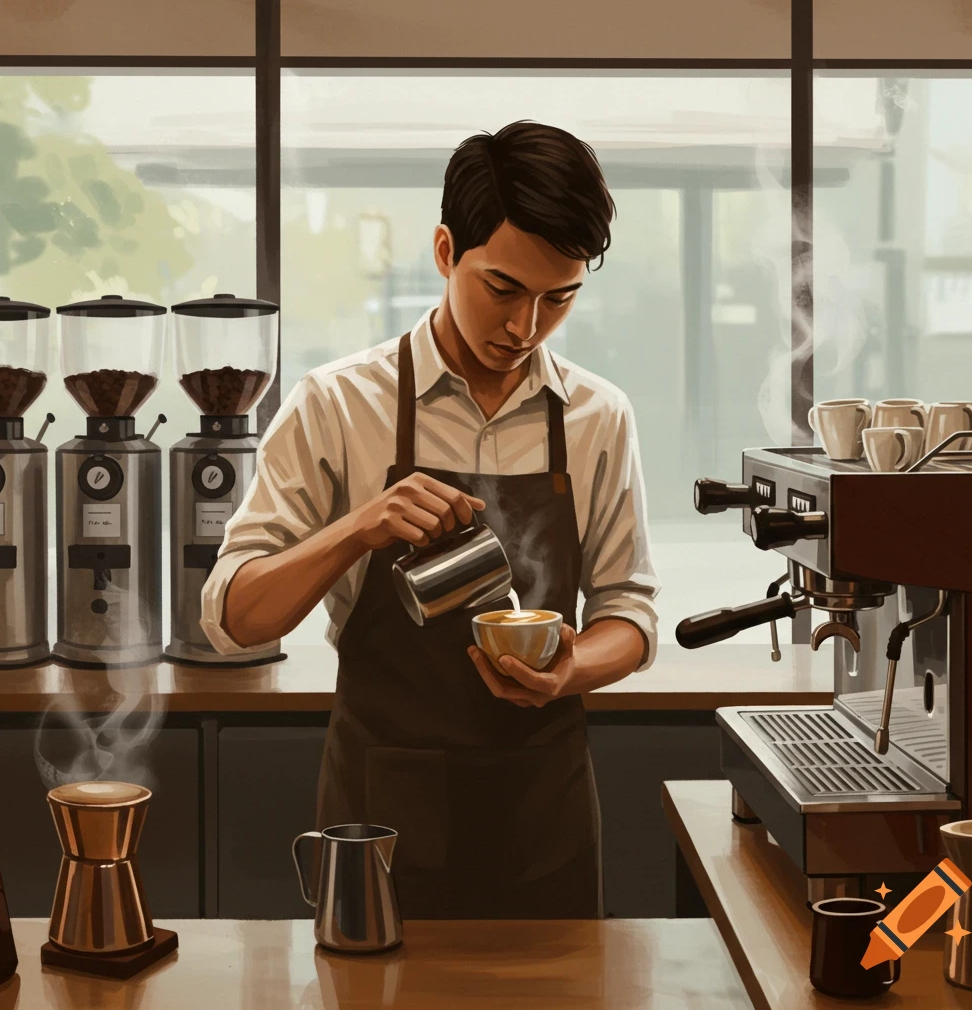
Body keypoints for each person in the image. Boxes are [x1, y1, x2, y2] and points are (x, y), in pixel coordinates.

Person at [200, 120, 659, 919]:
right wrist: (360, 528)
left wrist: (570, 670)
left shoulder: (597, 416)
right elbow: (234, 619)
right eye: (503, 288)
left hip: (541, 813)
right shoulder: (338, 404)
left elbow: (629, 613)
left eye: (559, 298)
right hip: (381, 816)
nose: (525, 328)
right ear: (446, 251)